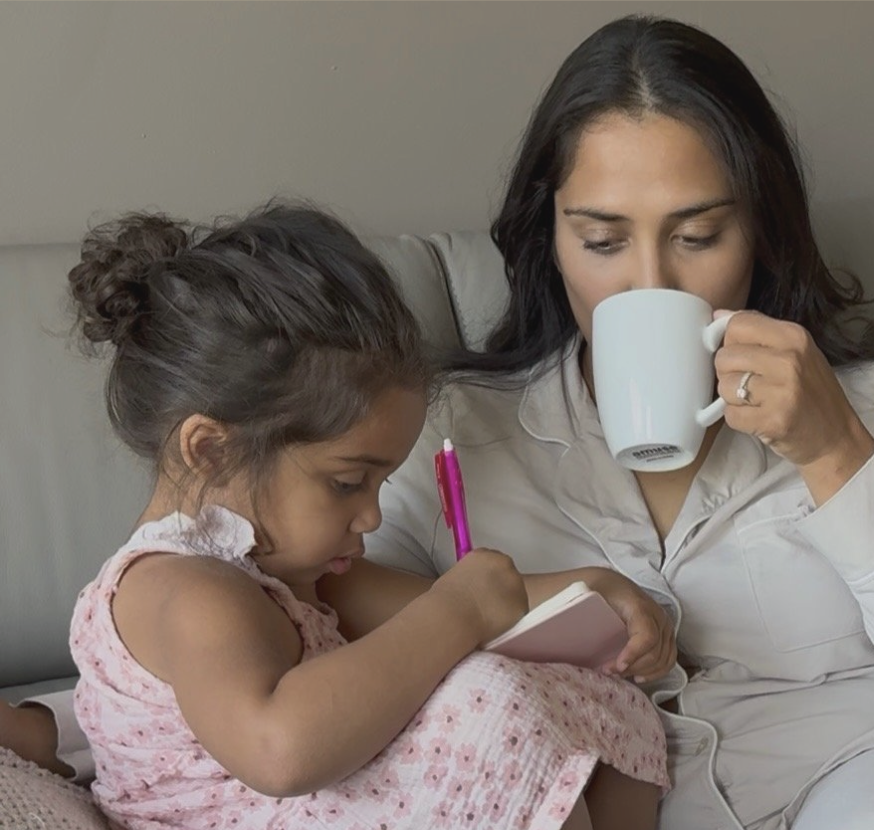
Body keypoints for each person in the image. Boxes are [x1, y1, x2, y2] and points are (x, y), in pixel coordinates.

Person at [5, 13, 874, 830]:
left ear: (760, 233)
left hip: (869, 779)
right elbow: (280, 647)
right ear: (544, 237)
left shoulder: (866, 408)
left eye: (696, 235)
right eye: (602, 238)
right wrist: (50, 732)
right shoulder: (442, 429)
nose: (651, 283)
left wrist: (834, 451)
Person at [13, 202, 669, 830]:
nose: (371, 516)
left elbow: (467, 602)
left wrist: (592, 591)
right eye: (348, 482)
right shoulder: (183, 591)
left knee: (582, 692)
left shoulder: (290, 569)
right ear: (211, 450)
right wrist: (458, 616)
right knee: (489, 704)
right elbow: (279, 750)